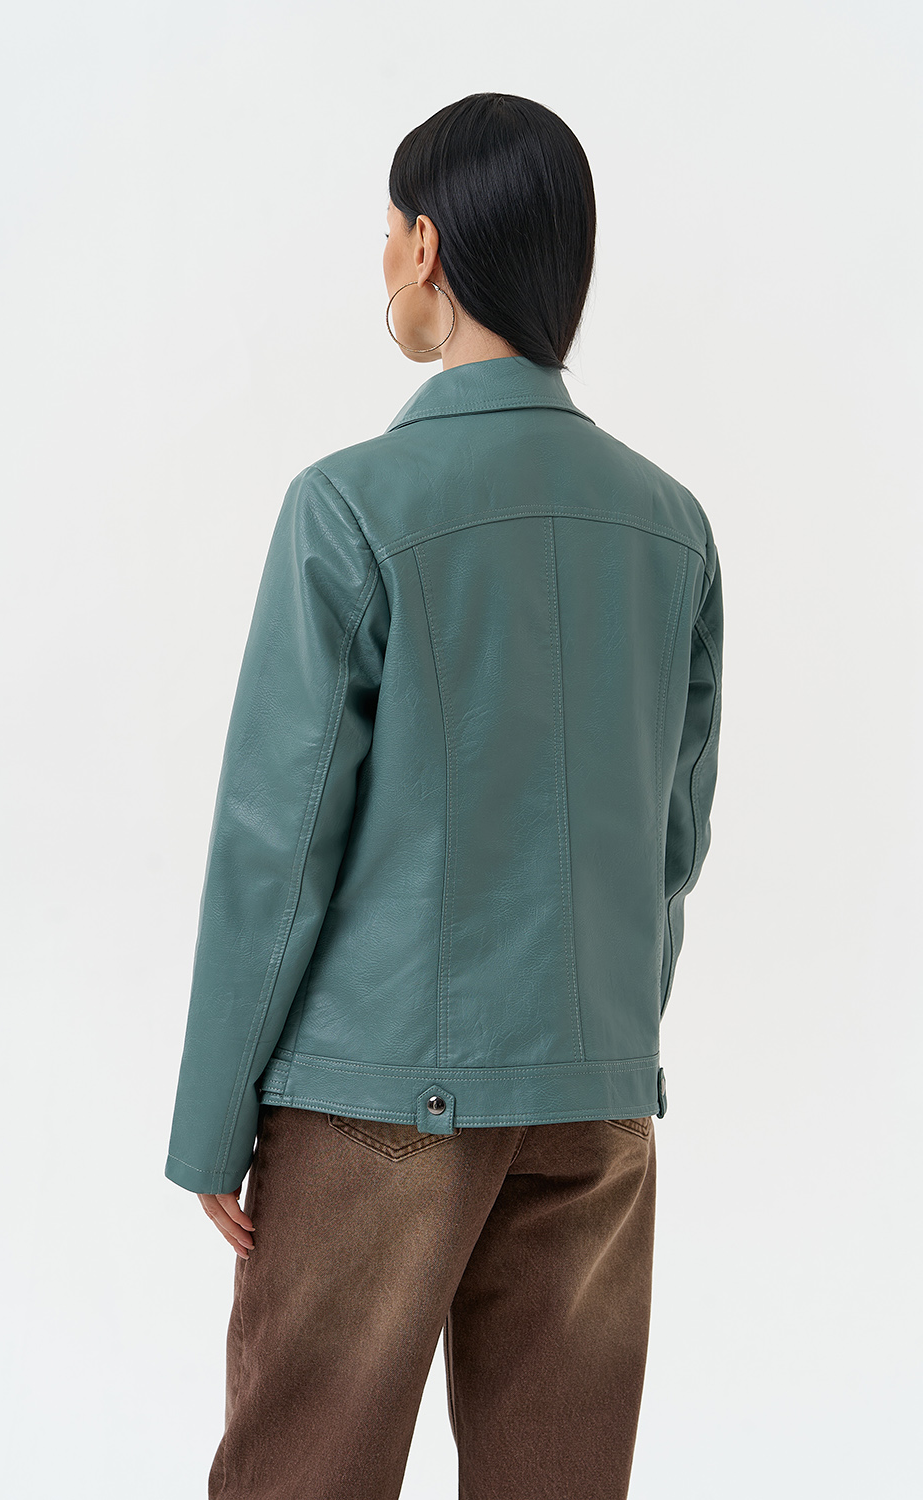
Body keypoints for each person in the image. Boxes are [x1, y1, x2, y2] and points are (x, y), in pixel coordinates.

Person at [165, 92, 724, 1500]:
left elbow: (275, 844)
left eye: (386, 234)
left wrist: (210, 1119)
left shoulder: (351, 504)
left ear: (425, 246)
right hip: (594, 1097)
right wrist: (602, 1042)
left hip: (374, 1101)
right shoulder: (672, 526)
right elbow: (674, 840)